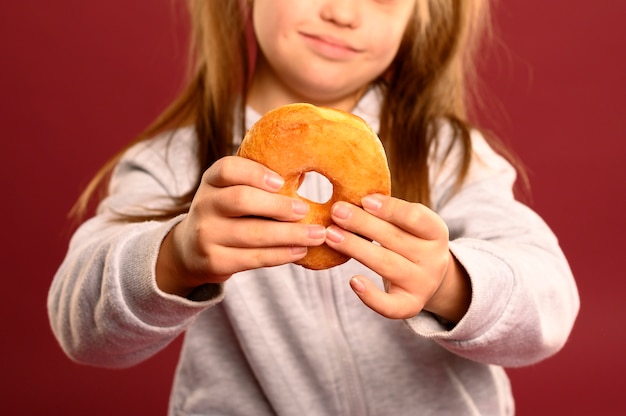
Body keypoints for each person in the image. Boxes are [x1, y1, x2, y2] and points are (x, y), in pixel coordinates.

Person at [48, 0, 580, 414]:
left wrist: (449, 283)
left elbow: (550, 308)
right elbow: (81, 331)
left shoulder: (446, 156)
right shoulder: (176, 164)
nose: (343, 13)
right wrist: (174, 258)